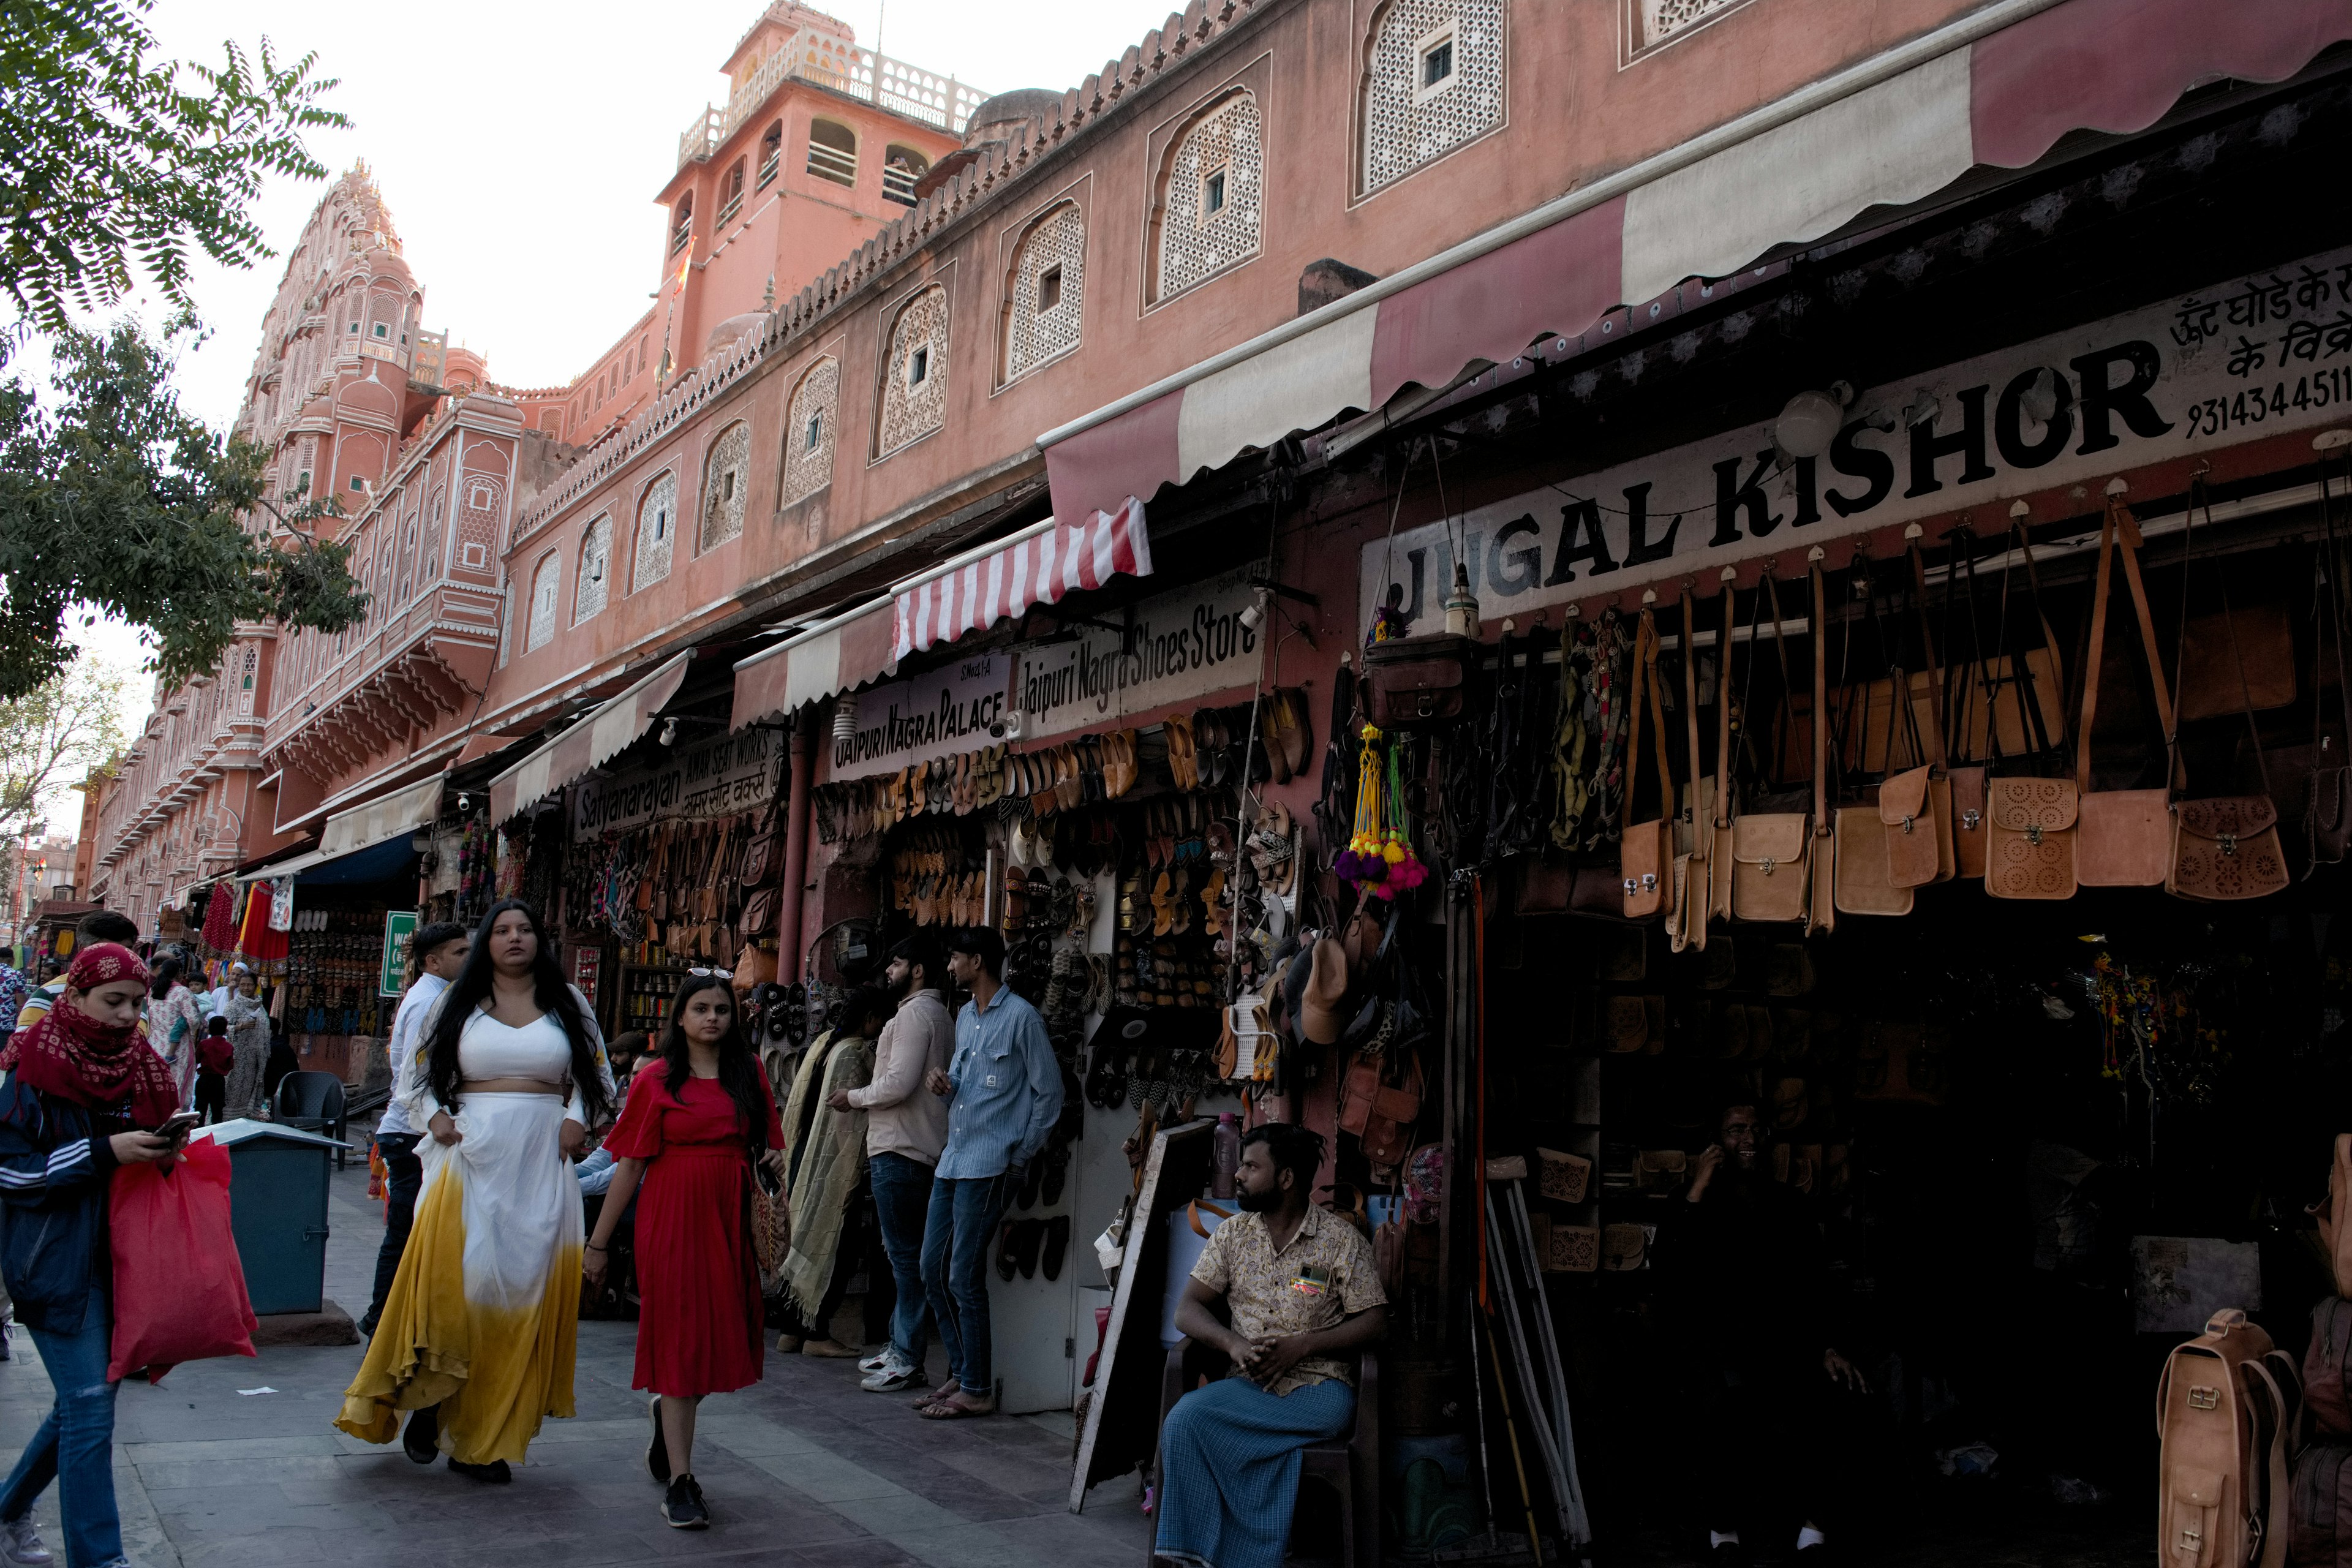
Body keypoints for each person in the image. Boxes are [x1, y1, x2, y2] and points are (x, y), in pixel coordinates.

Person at [334, 899, 614, 1483]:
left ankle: (480, 1441)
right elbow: (412, 1077)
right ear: (487, 941)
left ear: (540, 940)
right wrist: (435, 1116)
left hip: (543, 1159)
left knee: (520, 1296)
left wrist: (578, 1118)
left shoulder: (570, 1003)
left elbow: (599, 1075)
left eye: (526, 929)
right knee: (459, 1287)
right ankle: (431, 1401)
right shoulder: (453, 1003)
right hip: (470, 1154)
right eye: (503, 930)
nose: (515, 938)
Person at [0, 943, 186, 1568]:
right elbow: (10, 1173)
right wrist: (104, 1153)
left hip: (127, 1259)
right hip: (52, 1259)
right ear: (73, 996)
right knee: (87, 1402)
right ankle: (100, 1558)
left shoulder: (145, 1067)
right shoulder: (30, 1066)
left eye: (136, 1004)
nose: (125, 1017)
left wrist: (164, 1150)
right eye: (112, 1001)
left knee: (82, 1404)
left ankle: (6, 1511)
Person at [583, 973, 786, 1531]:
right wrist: (597, 1244)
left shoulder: (750, 1074)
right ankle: (682, 1480)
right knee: (679, 1341)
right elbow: (628, 1163)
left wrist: (773, 1162)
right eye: (700, 1008)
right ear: (680, 1017)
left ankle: (667, 1416)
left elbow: (771, 1143)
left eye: (722, 1008)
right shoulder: (655, 1080)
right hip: (671, 1215)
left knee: (723, 1335)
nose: (713, 1017)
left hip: (729, 1216)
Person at [1156, 1123, 1387, 1568]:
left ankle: (1241, 1553)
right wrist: (1234, 1345)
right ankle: (1196, 1556)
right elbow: (1187, 1310)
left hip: (1319, 1389)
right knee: (1184, 1420)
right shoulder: (1233, 1236)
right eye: (1241, 1165)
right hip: (1249, 1384)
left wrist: (1303, 1347)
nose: (1238, 1175)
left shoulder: (1339, 1241)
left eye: (1250, 1166)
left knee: (1206, 1426)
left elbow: (1376, 1322)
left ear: (1286, 1178)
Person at [1668, 1101, 1866, 1564]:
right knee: (1719, 1411)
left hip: (1782, 1345)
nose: (1750, 1140)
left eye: (1757, 1130)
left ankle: (1812, 1534)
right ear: (1717, 1141)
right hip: (1717, 1347)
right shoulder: (1693, 1202)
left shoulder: (1788, 1203)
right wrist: (1697, 1186)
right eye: (1737, 1130)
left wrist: (1828, 1346)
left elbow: (1814, 1283)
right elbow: (1673, 1272)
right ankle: (1725, 1534)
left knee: (1841, 1399)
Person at [912, 927, 1062, 1420]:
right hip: (956, 1158)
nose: (950, 967)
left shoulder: (1023, 1019)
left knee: (962, 1275)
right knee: (931, 1268)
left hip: (991, 1164)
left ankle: (977, 1388)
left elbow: (1050, 1096)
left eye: (955, 958)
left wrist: (1021, 1154)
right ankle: (961, 1370)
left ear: (977, 961)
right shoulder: (966, 1018)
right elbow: (964, 1084)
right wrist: (944, 1085)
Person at [836, 935, 954, 1394]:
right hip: (918, 1149)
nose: (889, 971)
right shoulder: (939, 1015)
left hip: (900, 1148)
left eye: (897, 963)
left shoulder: (913, 1015)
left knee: (905, 1260)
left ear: (918, 971)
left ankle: (907, 1356)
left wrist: (853, 1098)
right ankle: (900, 1343)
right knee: (907, 1257)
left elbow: (898, 1084)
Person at [358, 921, 469, 1340]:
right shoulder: (428, 1003)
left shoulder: (436, 996)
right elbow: (413, 1075)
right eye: (459, 952)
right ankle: (381, 1317)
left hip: (413, 1129)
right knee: (406, 1230)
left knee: (411, 1230)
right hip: (412, 1132)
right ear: (433, 960)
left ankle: (390, 1316)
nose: (467, 958)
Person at [775, 986, 888, 1357]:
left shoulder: (823, 1043)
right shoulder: (853, 1053)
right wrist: (852, 1166)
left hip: (803, 1157)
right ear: (869, 1018)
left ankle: (792, 1331)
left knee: (803, 1241)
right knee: (834, 1246)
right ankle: (818, 1333)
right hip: (831, 1163)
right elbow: (847, 1122)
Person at [15, 913, 140, 1030]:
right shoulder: (48, 996)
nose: (128, 1015)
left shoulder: (137, 996)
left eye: (127, 951)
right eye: (113, 1001)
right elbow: (28, 1047)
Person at [144, 957, 203, 1108]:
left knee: (155, 1086)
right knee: (176, 1088)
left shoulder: (153, 990)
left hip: (155, 1046)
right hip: (178, 1050)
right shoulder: (183, 992)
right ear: (179, 974)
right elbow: (194, 1021)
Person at [217, 967, 273, 1123]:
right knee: (233, 1091)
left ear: (255, 987)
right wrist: (240, 1027)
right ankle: (228, 1121)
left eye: (249, 985)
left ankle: (245, 1118)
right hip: (236, 1059)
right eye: (242, 985)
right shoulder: (233, 1006)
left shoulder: (259, 1006)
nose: (245, 988)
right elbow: (223, 1028)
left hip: (254, 1060)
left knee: (249, 1090)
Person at [192, 1016, 233, 1124]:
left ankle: (198, 1135)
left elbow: (197, 1059)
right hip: (219, 1082)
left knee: (200, 1110)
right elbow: (230, 1065)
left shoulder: (204, 1044)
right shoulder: (229, 1047)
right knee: (217, 1112)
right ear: (225, 1030)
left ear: (209, 1030)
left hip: (204, 1080)